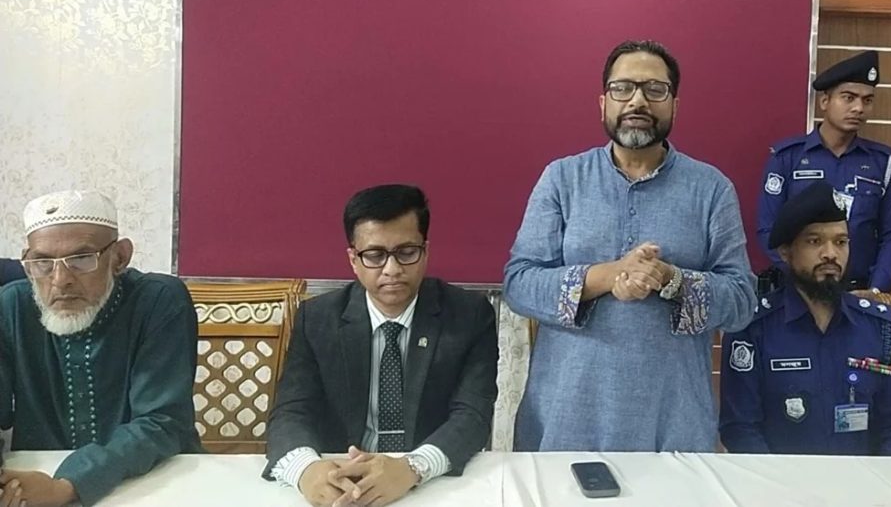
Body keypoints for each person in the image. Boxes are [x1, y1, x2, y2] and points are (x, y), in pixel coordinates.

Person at [503, 39, 756, 453]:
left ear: (675, 105)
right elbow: (519, 284)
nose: (637, 100)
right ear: (603, 103)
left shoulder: (712, 189)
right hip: (565, 419)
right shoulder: (562, 179)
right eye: (623, 88)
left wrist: (671, 280)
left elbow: (742, 300)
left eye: (655, 89)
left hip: (673, 423)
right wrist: (607, 275)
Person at [264, 184, 498, 507]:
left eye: (406, 252)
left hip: (431, 484)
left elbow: (472, 416)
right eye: (375, 256)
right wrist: (307, 470)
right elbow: (290, 412)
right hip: (343, 480)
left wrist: (412, 467)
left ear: (425, 251)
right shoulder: (317, 319)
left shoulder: (469, 315)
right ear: (353, 260)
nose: (392, 269)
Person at [0, 190, 200, 506]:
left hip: (155, 481)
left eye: (81, 259)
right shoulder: (11, 306)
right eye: (43, 263)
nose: (60, 280)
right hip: (35, 484)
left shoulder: (159, 300)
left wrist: (67, 486)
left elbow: (162, 421)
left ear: (119, 257)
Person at [721, 180, 891, 455]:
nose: (830, 254)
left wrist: (885, 482)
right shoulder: (752, 327)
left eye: (841, 242)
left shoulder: (878, 326)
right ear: (786, 252)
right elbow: (741, 430)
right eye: (814, 241)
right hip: (780, 479)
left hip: (865, 480)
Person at [756, 50, 891, 293]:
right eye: (849, 98)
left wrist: (876, 290)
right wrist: (801, 280)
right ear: (824, 102)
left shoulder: (882, 163)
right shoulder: (787, 158)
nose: (858, 108)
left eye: (867, 100)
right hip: (798, 292)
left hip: (859, 292)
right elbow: (768, 230)